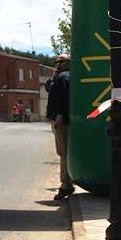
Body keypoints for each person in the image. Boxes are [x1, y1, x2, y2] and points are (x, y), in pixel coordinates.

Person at [46, 53, 73, 200]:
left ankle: (66, 184)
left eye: (59, 62)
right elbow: (49, 88)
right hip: (62, 120)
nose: (57, 65)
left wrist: (59, 116)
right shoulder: (61, 77)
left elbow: (62, 97)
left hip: (61, 121)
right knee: (63, 152)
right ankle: (67, 182)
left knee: (63, 153)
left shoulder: (63, 78)